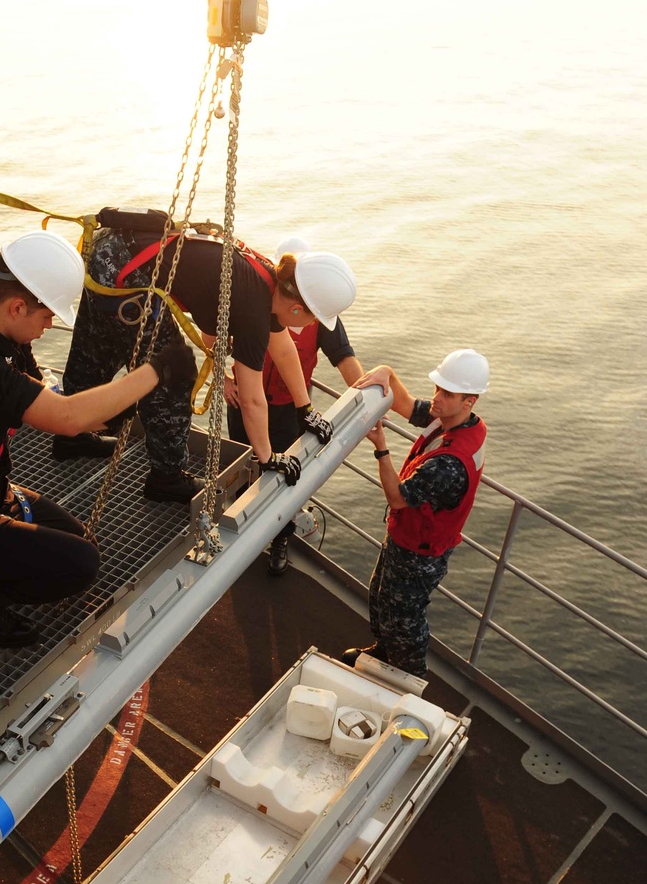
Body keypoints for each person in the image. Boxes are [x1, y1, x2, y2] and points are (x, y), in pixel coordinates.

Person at [0, 230, 197, 649]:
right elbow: (66, 418)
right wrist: (158, 370)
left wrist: (115, 407)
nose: (48, 326)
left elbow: (59, 406)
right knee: (81, 565)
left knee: (81, 544)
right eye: (46, 317)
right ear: (17, 306)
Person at [56, 209, 356, 502]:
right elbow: (252, 399)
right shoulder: (255, 308)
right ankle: (166, 478)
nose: (314, 325)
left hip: (113, 251)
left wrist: (305, 409)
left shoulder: (269, 279)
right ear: (296, 308)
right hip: (125, 271)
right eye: (315, 318)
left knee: (97, 339)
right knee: (172, 373)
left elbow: (283, 350)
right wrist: (268, 458)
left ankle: (72, 435)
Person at [345, 349, 490, 678]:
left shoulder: (450, 464)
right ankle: (383, 652)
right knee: (381, 596)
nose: (437, 398)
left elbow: (397, 498)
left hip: (420, 553)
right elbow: (406, 403)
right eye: (438, 388)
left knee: (406, 618)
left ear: (470, 401)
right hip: (407, 536)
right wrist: (385, 371)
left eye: (447, 393)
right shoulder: (454, 419)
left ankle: (410, 678)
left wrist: (381, 447)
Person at [225, 235, 363, 575]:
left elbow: (344, 358)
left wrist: (363, 399)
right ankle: (240, 532)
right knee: (244, 467)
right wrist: (224, 380)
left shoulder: (318, 316)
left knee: (286, 480)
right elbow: (216, 339)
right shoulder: (260, 306)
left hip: (286, 411)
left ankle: (279, 539)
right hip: (244, 402)